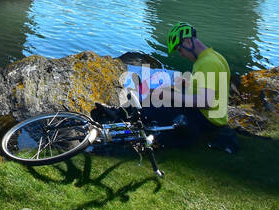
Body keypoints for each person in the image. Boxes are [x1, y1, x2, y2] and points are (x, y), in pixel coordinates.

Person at [97, 22, 239, 154]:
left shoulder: (207, 63)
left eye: (179, 49)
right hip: (212, 117)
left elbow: (207, 101)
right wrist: (186, 83)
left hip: (205, 119)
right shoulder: (214, 57)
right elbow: (211, 88)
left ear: (188, 42)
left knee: (152, 109)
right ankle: (119, 113)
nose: (181, 54)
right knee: (156, 95)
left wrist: (167, 96)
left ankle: (120, 120)